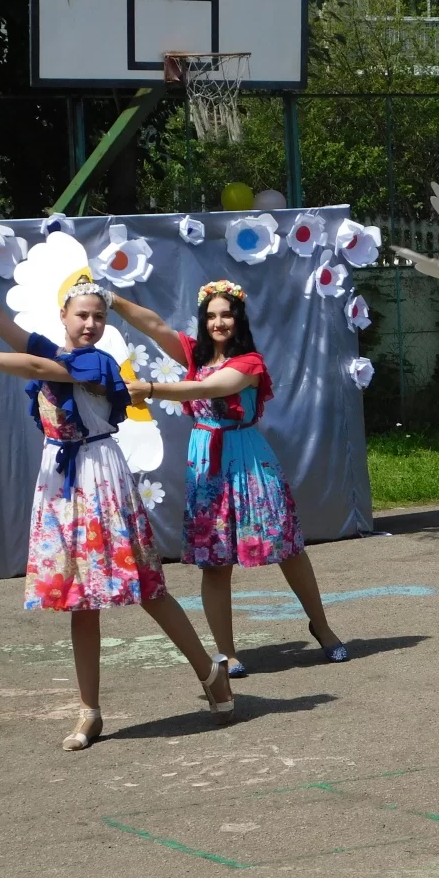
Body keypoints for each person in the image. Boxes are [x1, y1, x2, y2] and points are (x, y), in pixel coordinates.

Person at [0, 250, 233, 750]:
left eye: (99, 317)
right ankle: (90, 712)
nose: (91, 324)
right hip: (61, 482)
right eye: (82, 315)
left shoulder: (95, 362)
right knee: (80, 600)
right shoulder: (57, 352)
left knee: (147, 588)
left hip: (101, 478)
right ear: (63, 316)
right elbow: (0, 322)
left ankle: (210, 672)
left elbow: (33, 365)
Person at [110, 281, 347, 673]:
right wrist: (111, 299)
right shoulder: (195, 354)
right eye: (211, 316)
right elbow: (155, 326)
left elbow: (208, 387)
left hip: (248, 459)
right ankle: (227, 651)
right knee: (215, 561)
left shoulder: (249, 363)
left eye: (226, 314)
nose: (218, 322)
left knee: (288, 549)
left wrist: (149, 388)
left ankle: (322, 627)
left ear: (239, 319)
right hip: (207, 465)